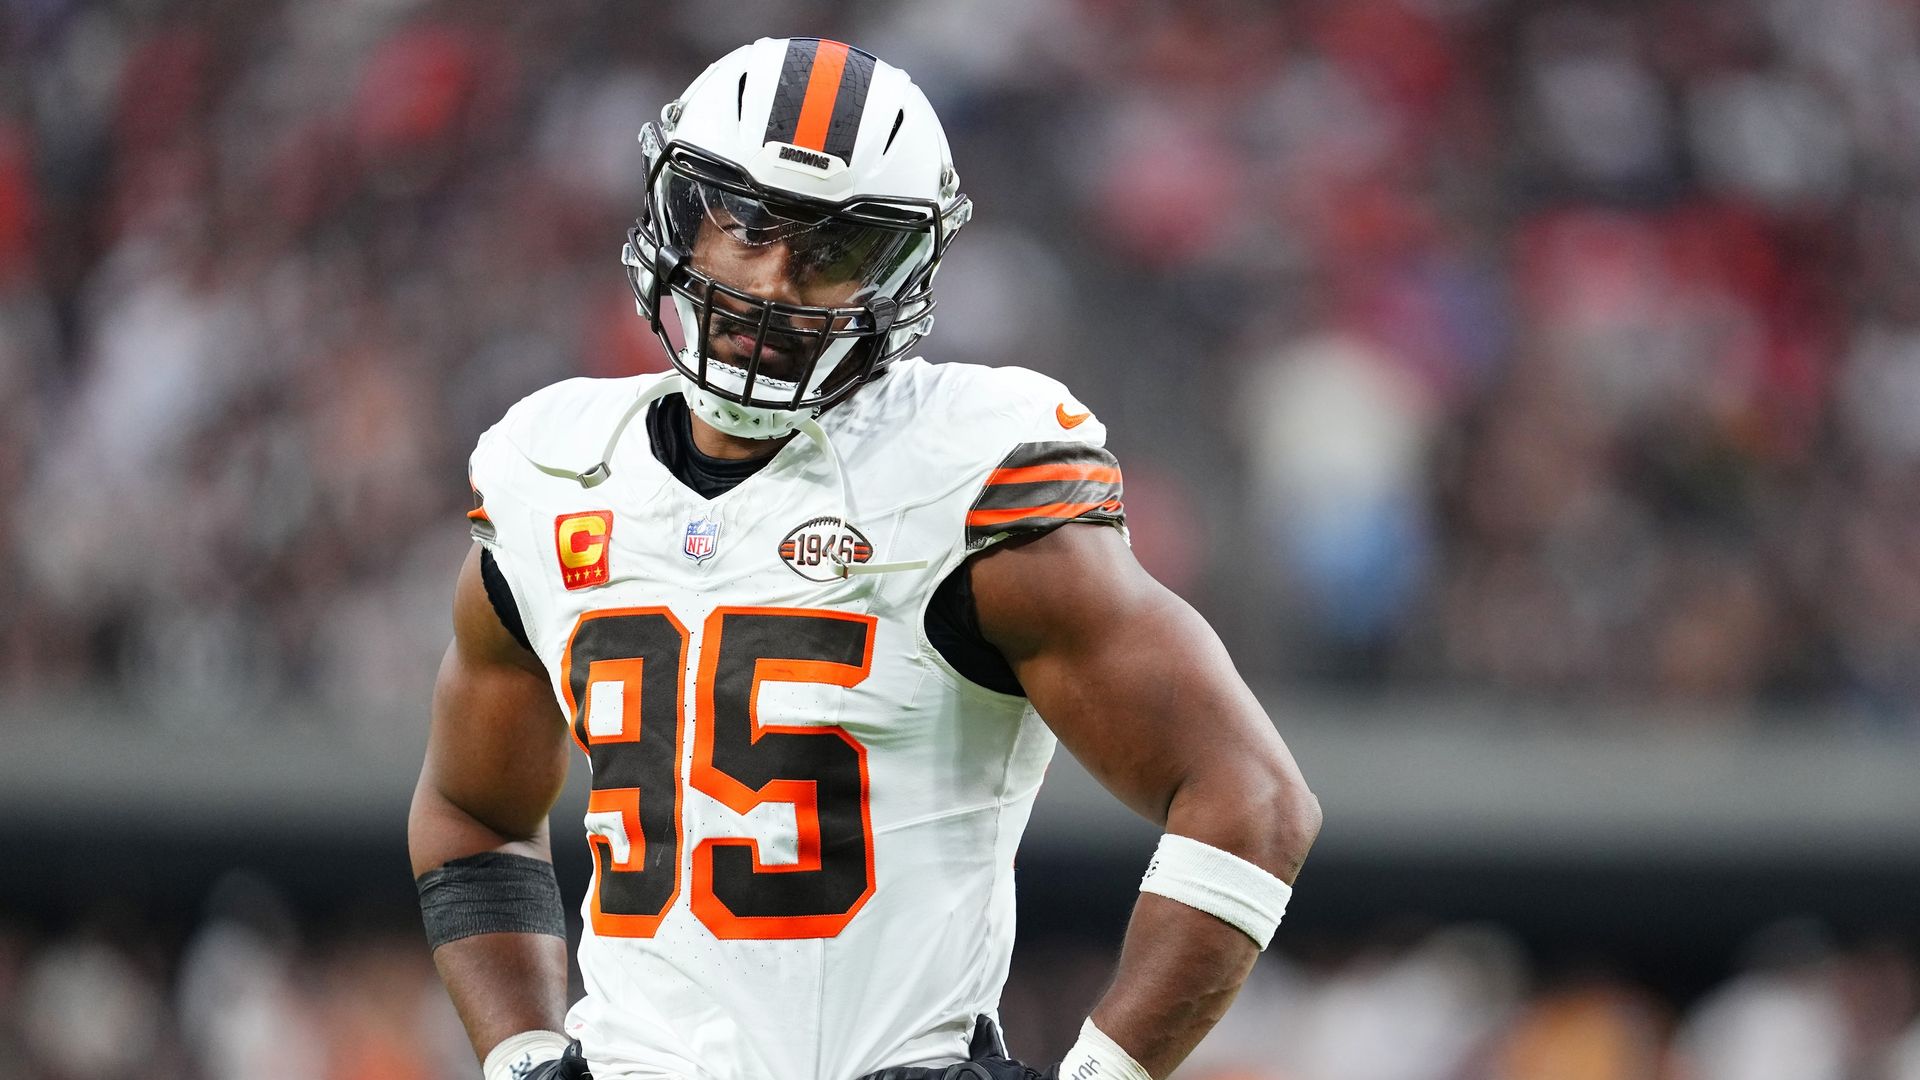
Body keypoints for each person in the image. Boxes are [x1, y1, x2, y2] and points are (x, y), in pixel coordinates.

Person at [407, 36, 1321, 1080]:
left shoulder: (963, 475)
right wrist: (520, 1052)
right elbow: (470, 809)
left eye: (834, 250)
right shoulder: (555, 471)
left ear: (905, 273)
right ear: (676, 214)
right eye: (743, 224)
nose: (773, 279)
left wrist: (1106, 1072)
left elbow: (1252, 799)